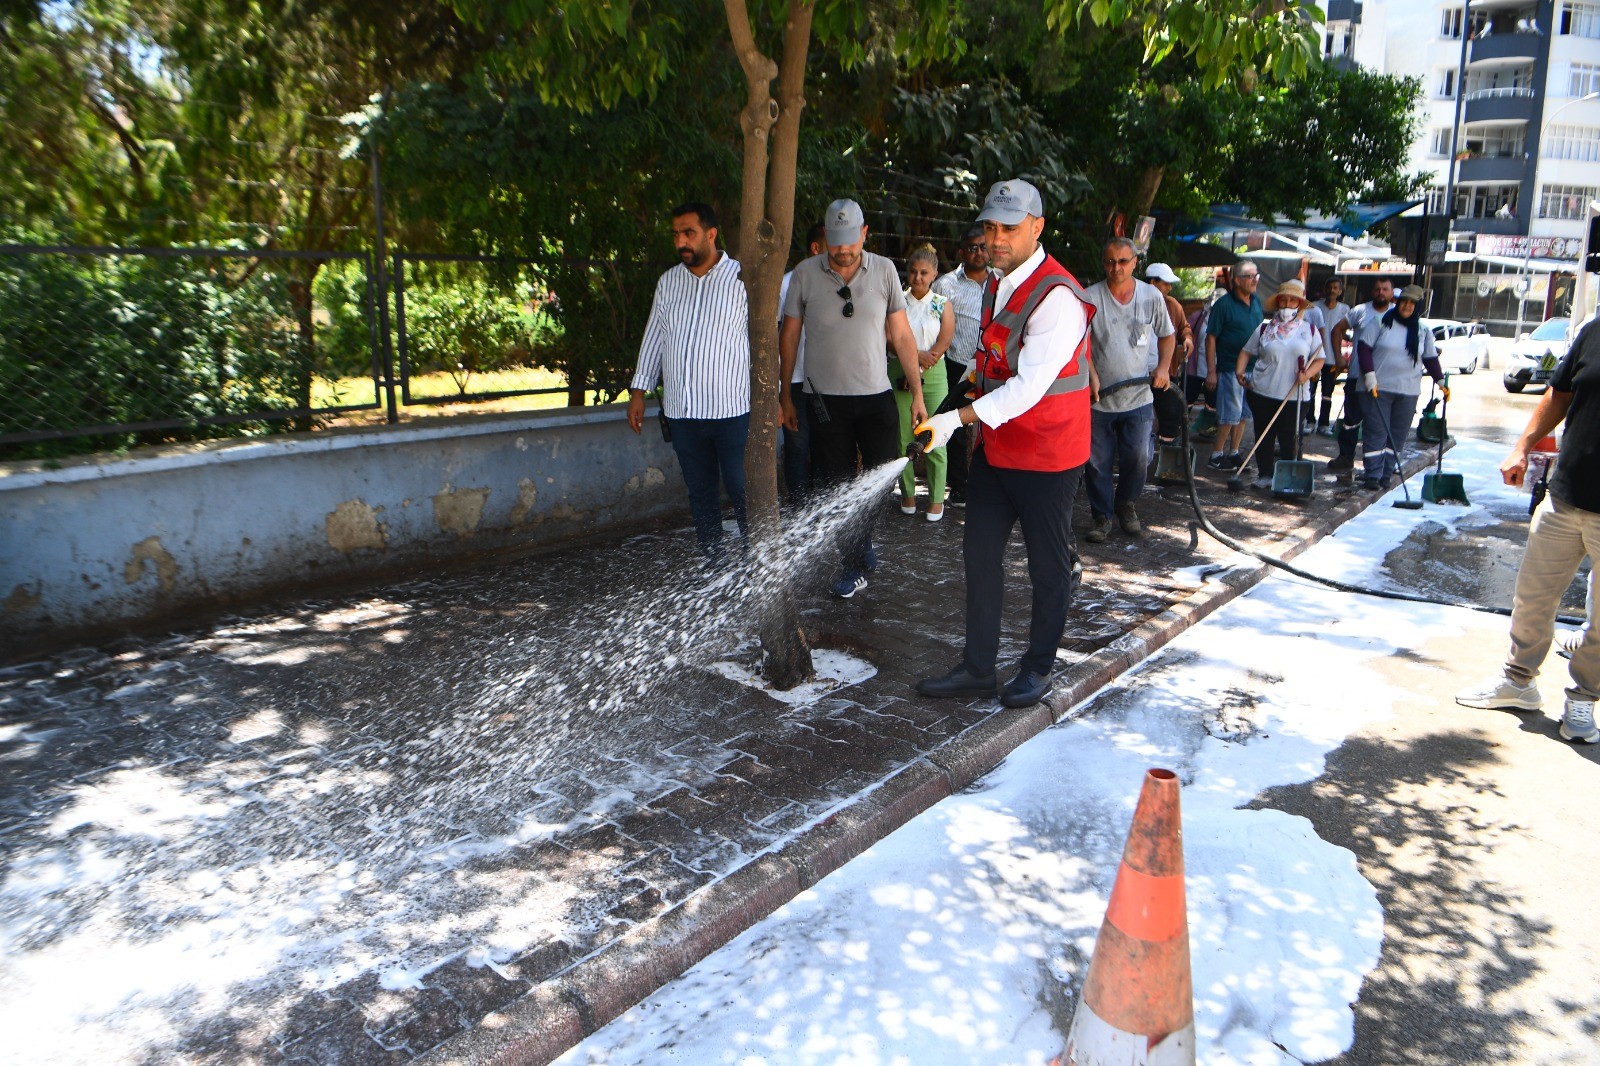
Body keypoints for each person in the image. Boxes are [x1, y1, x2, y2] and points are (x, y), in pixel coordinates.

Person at [910, 178, 1094, 709]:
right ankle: (977, 668)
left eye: (1009, 228)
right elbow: (991, 362)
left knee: (1047, 567)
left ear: (1037, 228)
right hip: (999, 448)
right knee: (980, 554)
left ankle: (1038, 669)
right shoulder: (998, 282)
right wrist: (951, 405)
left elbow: (1027, 388)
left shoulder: (1057, 295)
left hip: (1048, 456)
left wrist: (957, 420)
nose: (996, 238)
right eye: (990, 226)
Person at [1455, 314, 1600, 743]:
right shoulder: (1594, 332)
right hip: (1565, 494)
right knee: (1533, 597)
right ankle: (1519, 682)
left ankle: (1584, 699)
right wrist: (1522, 446)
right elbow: (1560, 393)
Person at [780, 198, 927, 598]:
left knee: (880, 484)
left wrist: (917, 394)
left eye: (851, 242)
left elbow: (901, 337)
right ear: (825, 238)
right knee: (837, 485)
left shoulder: (884, 271)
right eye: (836, 243)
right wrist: (785, 395)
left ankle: (861, 541)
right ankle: (853, 564)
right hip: (826, 402)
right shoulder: (805, 275)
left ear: (865, 234)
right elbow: (790, 336)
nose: (843, 252)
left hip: (875, 398)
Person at [627, 201, 750, 559]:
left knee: (742, 488)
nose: (681, 241)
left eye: (689, 233)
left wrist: (773, 395)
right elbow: (655, 338)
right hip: (682, 414)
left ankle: (756, 561)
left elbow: (763, 344)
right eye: (676, 234)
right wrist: (638, 392)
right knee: (700, 493)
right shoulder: (668, 282)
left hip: (732, 411)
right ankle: (712, 563)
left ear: (711, 234)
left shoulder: (742, 278)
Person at [1081, 238, 1175, 543]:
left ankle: (1126, 503)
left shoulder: (1151, 297)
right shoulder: (1090, 297)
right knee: (1097, 461)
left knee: (1138, 456)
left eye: (1123, 261)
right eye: (1110, 261)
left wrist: (1163, 368)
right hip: (1099, 399)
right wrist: (1092, 376)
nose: (1116, 268)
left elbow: (1167, 336)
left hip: (1138, 397)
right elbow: (1080, 345)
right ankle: (1102, 515)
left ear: (1135, 263)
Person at [1352, 282, 1446, 490]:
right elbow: (1364, 348)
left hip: (1408, 390)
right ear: (1398, 302)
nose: (1407, 306)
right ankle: (1372, 475)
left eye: (1412, 304)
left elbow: (1429, 358)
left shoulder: (1422, 331)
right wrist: (1369, 375)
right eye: (1404, 302)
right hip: (1377, 388)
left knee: (1397, 434)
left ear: (1417, 307)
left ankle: (1386, 473)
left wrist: (1440, 381)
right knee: (1377, 432)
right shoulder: (1380, 322)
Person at [1237, 279, 1324, 491]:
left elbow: (1319, 358)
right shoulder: (1265, 328)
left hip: (1295, 395)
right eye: (1283, 300)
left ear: (1299, 305)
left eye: (1292, 301)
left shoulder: (1309, 330)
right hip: (1262, 391)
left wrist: (1308, 375)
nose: (1287, 305)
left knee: (1289, 437)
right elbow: (1246, 350)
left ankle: (1288, 478)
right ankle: (1265, 475)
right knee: (1263, 435)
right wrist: (1239, 372)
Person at [932, 224, 997, 506]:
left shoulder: (1002, 281)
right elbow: (933, 324)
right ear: (962, 251)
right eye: (973, 247)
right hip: (957, 364)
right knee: (957, 429)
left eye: (984, 247)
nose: (979, 252)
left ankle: (994, 486)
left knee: (994, 423)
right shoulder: (946, 285)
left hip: (992, 366)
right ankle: (959, 487)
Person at [895, 243, 956, 520]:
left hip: (934, 373)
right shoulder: (897, 302)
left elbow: (945, 339)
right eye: (913, 272)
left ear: (934, 274)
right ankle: (907, 494)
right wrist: (911, 361)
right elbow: (891, 336)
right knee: (903, 438)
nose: (917, 278)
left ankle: (935, 499)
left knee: (936, 436)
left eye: (923, 273)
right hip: (900, 374)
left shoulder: (942, 305)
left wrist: (922, 360)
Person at [778, 222, 826, 505]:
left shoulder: (836, 284)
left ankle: (818, 508)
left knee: (825, 447)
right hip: (795, 381)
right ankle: (798, 507)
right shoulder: (786, 284)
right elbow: (777, 336)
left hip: (828, 383)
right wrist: (782, 393)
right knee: (797, 447)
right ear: (815, 248)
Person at [1328, 277, 1394, 482]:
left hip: (1386, 379)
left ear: (1391, 293)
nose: (1381, 292)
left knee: (1379, 424)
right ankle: (1346, 456)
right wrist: (1339, 358)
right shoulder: (1360, 311)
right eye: (1377, 289)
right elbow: (1337, 329)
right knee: (1351, 420)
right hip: (1357, 376)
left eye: (1385, 289)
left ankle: (1377, 464)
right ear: (1372, 292)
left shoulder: (1399, 314)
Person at [1205, 261, 1265, 471]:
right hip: (1230, 366)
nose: (1254, 280)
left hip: (1252, 368)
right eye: (1250, 276)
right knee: (1229, 414)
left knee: (1243, 414)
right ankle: (1216, 454)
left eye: (1256, 276)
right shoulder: (1223, 305)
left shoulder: (1256, 301)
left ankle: (1234, 452)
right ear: (1238, 280)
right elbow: (1211, 338)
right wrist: (1211, 370)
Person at [1145, 262, 1193, 452]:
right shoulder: (1133, 300)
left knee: (1171, 414)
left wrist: (1188, 339)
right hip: (1137, 370)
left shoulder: (1173, 305)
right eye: (1166, 283)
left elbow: (1185, 328)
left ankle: (1167, 454)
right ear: (1153, 282)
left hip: (1165, 369)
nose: (1169, 288)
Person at [1304, 277, 1351, 434]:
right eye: (1329, 287)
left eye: (1335, 288)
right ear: (1325, 289)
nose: (1332, 290)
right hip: (1315, 357)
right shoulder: (1314, 307)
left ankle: (1323, 424)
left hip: (1332, 358)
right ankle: (1309, 421)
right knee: (1309, 391)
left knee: (1327, 393)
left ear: (1340, 291)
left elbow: (1344, 332)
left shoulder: (1345, 309)